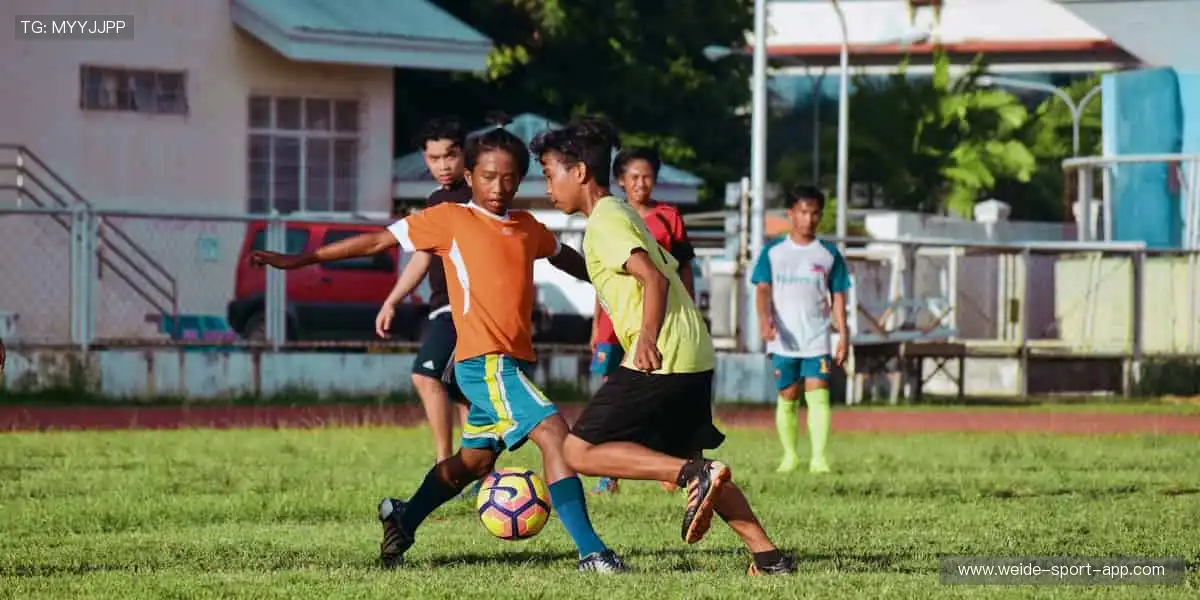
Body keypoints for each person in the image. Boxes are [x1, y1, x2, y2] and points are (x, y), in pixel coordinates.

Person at [250, 117, 629, 573]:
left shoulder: (527, 227)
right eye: (489, 176)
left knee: (471, 463)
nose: (499, 187)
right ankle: (592, 553)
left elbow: (572, 260)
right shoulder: (450, 220)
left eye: (510, 177)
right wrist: (302, 258)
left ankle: (403, 517)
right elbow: (377, 240)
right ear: (469, 176)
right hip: (483, 363)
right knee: (554, 435)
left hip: (508, 365)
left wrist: (622, 273)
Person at [532, 115, 797, 576]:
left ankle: (691, 477)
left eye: (549, 172)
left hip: (662, 354)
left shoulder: (604, 222)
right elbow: (632, 270)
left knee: (576, 451)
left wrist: (648, 340)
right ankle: (768, 557)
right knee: (699, 465)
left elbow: (651, 278)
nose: (547, 185)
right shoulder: (622, 214)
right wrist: (557, 255)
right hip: (693, 352)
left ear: (578, 172)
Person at [589, 147, 696, 495]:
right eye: (633, 177)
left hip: (654, 322)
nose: (641, 183)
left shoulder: (668, 217)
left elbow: (683, 270)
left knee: (659, 393)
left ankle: (670, 463)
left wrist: (689, 311)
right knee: (610, 395)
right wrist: (595, 325)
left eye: (647, 176)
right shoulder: (610, 217)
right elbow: (602, 278)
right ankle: (610, 475)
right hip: (613, 324)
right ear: (620, 180)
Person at [376, 116, 471, 468]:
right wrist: (392, 299)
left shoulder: (479, 197)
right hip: (440, 308)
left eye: (450, 155)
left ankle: (445, 468)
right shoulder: (435, 201)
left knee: (426, 375)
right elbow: (422, 257)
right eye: (434, 158)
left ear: (465, 154)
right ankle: (473, 470)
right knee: (464, 392)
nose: (443, 165)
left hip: (466, 309)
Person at [750, 185, 850, 475]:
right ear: (791, 214)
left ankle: (819, 459)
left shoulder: (829, 254)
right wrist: (763, 320)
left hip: (817, 337)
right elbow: (762, 290)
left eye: (815, 213)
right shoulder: (774, 252)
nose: (809, 218)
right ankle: (790, 456)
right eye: (803, 212)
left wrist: (843, 335)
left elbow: (839, 296)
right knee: (788, 395)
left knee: (818, 393)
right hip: (783, 338)